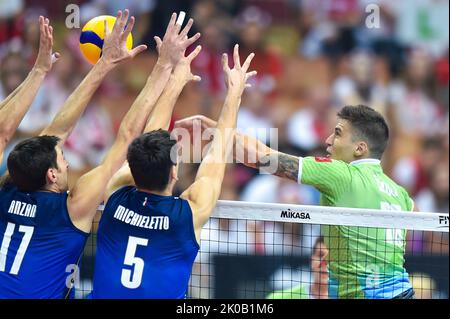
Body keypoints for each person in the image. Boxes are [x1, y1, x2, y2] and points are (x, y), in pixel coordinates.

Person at [0, 10, 196, 298]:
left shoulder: (9, 186)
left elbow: (52, 133)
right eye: (63, 160)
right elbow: (128, 138)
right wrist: (163, 66)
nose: (67, 160)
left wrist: (102, 65)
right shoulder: (72, 207)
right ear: (52, 174)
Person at [176, 104, 416, 299]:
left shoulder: (342, 174)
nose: (328, 140)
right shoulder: (400, 193)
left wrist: (218, 132)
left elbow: (262, 158)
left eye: (339, 133)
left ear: (360, 148)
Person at [90, 44, 256, 298]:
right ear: (174, 173)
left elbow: (148, 140)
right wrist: (234, 92)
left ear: (133, 169)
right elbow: (219, 151)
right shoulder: (188, 213)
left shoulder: (115, 194)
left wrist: (175, 81)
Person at [0, 16, 59, 165]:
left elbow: (53, 126)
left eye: (17, 68)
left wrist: (21, 133)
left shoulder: (41, 88)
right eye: (9, 67)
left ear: (25, 68)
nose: (13, 69)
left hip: (36, 151)